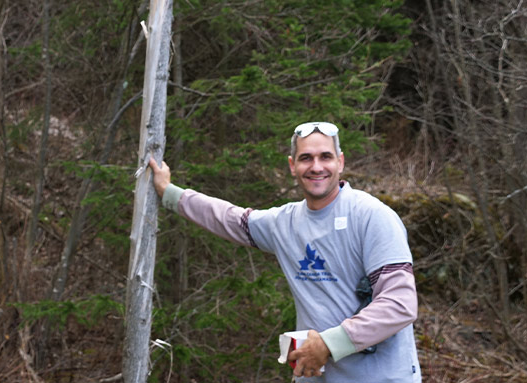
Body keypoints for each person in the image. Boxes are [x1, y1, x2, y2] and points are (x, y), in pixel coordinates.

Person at [148, 122, 421, 383]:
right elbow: (229, 218)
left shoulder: (372, 217)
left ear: (341, 162)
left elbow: (399, 304)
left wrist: (328, 343)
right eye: (306, 158)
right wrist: (169, 193)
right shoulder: (285, 223)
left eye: (325, 157)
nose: (316, 167)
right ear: (292, 166)